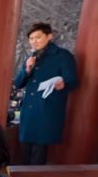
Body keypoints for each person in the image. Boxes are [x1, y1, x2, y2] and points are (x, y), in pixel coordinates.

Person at [14, 22, 79, 165]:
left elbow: (73, 81)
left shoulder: (63, 55)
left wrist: (64, 84)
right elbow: (18, 84)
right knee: (25, 150)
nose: (34, 41)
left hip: (47, 108)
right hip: (29, 110)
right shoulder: (31, 57)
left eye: (37, 37)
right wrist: (27, 69)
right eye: (31, 38)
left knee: (39, 152)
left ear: (49, 36)